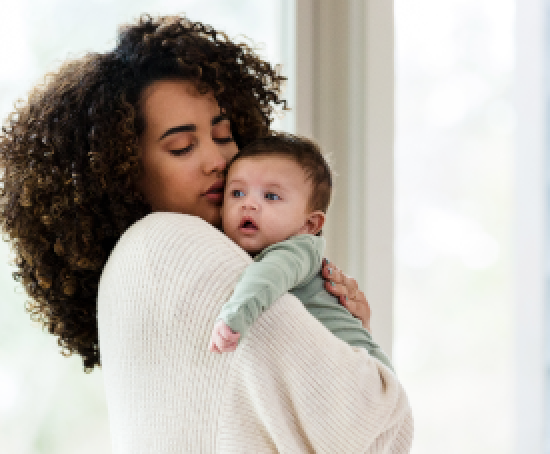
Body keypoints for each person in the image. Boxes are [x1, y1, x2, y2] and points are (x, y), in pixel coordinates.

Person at [0, 14, 412, 453]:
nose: (218, 160)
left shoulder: (137, 266)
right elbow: (377, 424)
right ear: (120, 172)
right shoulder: (173, 244)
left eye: (223, 134)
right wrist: (358, 353)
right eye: (182, 147)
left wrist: (340, 327)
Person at [208, 134, 393, 371]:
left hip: (366, 374)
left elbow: (267, 277)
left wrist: (232, 320)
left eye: (271, 196)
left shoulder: (297, 250)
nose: (249, 204)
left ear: (309, 225)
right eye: (237, 193)